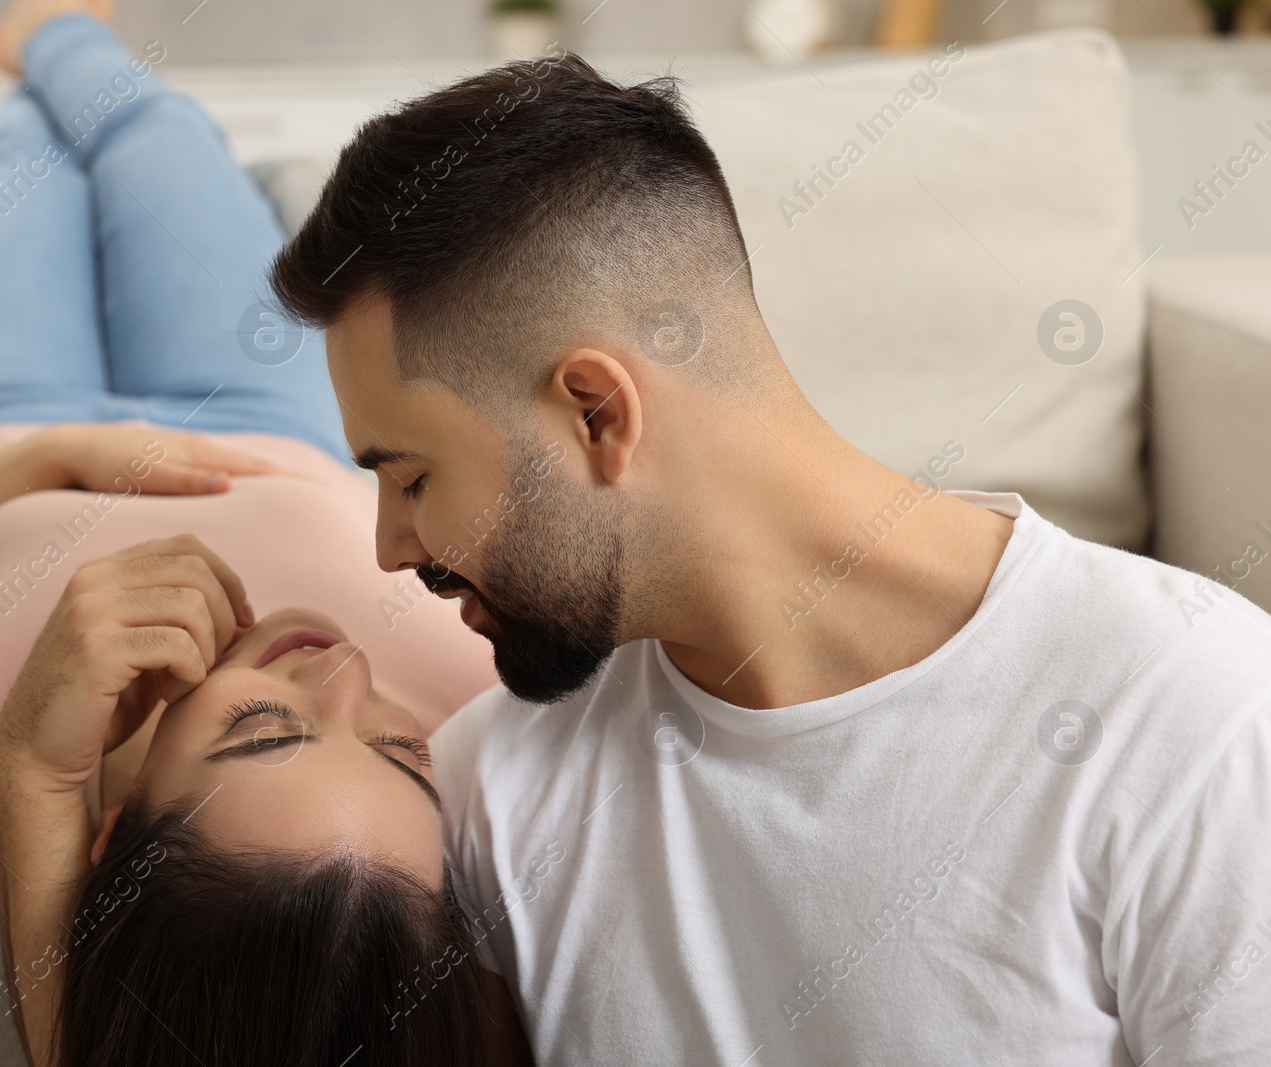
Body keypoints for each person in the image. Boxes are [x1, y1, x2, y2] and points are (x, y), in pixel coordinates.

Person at [269, 50, 1271, 1065]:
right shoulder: (498, 786)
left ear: (596, 412)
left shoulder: (1192, 721)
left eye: (412, 477)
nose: (392, 547)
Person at [0, 7, 530, 1065]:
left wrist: (39, 462)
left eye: (267, 732)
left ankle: (33, 51)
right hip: (275, 410)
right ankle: (60, 29)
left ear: (106, 844)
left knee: (19, 153)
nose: (341, 673)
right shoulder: (493, 709)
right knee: (158, 138)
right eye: (398, 752)